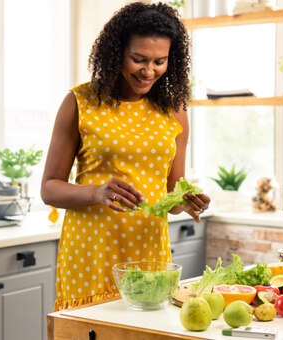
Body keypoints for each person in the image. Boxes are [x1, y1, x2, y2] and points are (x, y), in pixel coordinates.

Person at [41, 2, 210, 312]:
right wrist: (96, 192)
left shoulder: (175, 111)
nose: (149, 71)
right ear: (117, 52)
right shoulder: (81, 102)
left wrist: (183, 200)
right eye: (138, 59)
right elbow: (49, 188)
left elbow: (172, 192)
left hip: (149, 252)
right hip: (91, 251)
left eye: (160, 61)